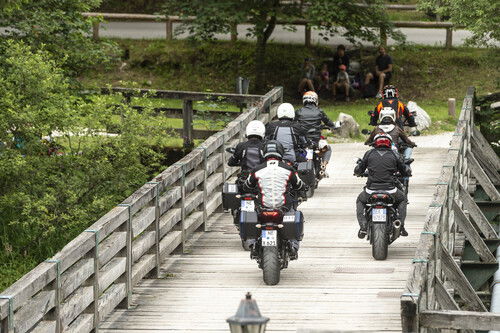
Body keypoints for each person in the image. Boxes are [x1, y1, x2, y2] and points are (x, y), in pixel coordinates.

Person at [243, 140, 308, 257]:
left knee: (253, 216)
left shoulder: (256, 170)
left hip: (263, 208)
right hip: (284, 207)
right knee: (293, 215)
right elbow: (298, 185)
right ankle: (293, 245)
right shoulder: (289, 169)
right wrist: (304, 187)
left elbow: (247, 186)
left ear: (264, 152)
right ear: (281, 152)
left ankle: (252, 243)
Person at [354, 133, 411, 238]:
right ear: (390, 143)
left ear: (375, 143)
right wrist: (406, 171)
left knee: (360, 200)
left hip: (371, 190)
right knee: (402, 199)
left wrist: (359, 172)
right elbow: (404, 170)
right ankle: (401, 225)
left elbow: (358, 170)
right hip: (391, 190)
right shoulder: (395, 154)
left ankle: (363, 227)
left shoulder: (369, 153)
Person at [295, 91, 337, 170]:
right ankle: (323, 165)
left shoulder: (298, 111)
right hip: (316, 141)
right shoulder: (319, 111)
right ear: (315, 100)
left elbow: (292, 123)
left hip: (303, 142)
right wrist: (333, 126)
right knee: (327, 149)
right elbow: (329, 122)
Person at [370, 85, 418, 153]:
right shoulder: (400, 104)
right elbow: (409, 115)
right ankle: (406, 162)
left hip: (382, 131)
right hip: (399, 129)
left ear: (383, 94)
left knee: (373, 146)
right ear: (396, 93)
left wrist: (373, 122)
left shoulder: (380, 104)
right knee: (407, 146)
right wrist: (412, 123)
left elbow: (374, 116)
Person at [227, 120, 266, 189]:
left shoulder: (241, 146)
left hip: (244, 179)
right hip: (261, 179)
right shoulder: (265, 146)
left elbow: (231, 163)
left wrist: (241, 162)